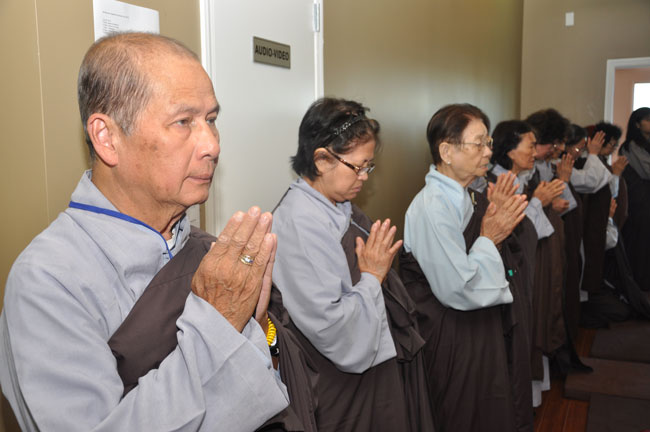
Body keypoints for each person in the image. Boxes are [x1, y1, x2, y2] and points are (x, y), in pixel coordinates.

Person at [0, 33, 289, 431]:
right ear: (107, 137)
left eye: (211, 120)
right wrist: (220, 323)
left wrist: (258, 327)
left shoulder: (208, 251)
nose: (211, 145)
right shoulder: (49, 279)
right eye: (183, 122)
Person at [270, 98, 434, 432]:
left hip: (371, 363)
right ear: (321, 160)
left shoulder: (338, 205)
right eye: (357, 167)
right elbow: (332, 326)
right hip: (337, 380)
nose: (364, 177)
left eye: (368, 167)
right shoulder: (299, 222)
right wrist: (372, 277)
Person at [400, 103, 527, 431]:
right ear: (447, 151)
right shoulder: (432, 206)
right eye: (479, 143)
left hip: (475, 326)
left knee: (487, 409)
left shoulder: (465, 195)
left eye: (489, 142)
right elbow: (458, 287)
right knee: (461, 415)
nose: (488, 152)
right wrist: (489, 237)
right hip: (452, 334)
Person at [619, 107, 650, 291]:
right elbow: (646, 171)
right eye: (648, 119)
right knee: (640, 241)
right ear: (637, 124)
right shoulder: (630, 146)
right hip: (639, 200)